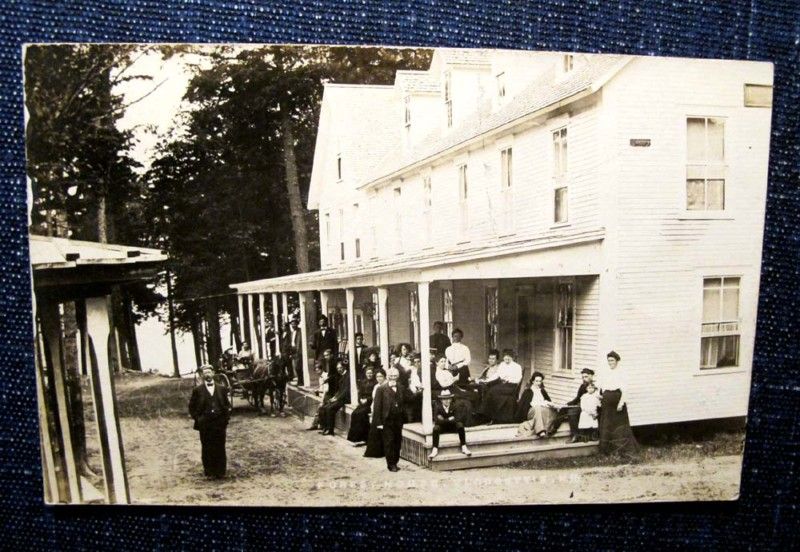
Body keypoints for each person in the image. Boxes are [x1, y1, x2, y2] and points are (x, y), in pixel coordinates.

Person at [188, 365, 231, 479]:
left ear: (213, 373)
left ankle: (220, 472)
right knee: (207, 447)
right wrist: (198, 419)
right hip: (205, 424)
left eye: (209, 372)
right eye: (205, 373)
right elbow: (191, 407)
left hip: (219, 423)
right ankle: (209, 472)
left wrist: (225, 420)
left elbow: (227, 406)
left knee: (220, 446)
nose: (207, 374)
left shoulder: (222, 389)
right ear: (202, 375)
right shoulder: (197, 390)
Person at [371, 367, 412, 472]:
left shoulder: (401, 387)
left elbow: (409, 399)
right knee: (389, 442)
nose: (393, 378)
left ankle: (396, 461)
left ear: (397, 377)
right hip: (387, 420)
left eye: (395, 376)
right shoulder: (381, 389)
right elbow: (377, 407)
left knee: (397, 441)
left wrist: (419, 392)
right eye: (391, 376)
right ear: (388, 377)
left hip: (398, 419)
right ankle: (391, 464)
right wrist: (378, 422)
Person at [597, 351, 638, 456]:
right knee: (607, 424)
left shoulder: (621, 373)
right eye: (609, 360)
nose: (610, 362)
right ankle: (606, 450)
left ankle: (621, 449)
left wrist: (621, 403)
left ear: (617, 361)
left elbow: (624, 390)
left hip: (617, 402)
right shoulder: (606, 373)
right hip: (606, 402)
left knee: (618, 425)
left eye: (612, 360)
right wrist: (599, 396)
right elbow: (601, 387)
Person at [477, 349, 523, 424]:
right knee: (492, 391)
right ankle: (489, 415)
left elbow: (518, 379)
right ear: (503, 357)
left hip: (512, 386)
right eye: (505, 357)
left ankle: (486, 414)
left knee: (492, 391)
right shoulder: (502, 364)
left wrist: (508, 380)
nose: (507, 359)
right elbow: (496, 375)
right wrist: (486, 381)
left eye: (509, 357)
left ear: (512, 358)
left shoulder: (517, 366)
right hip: (503, 385)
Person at [550, 368, 596, 442]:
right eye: (583, 377)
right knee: (563, 408)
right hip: (580, 405)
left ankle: (575, 435)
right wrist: (567, 404)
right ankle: (554, 428)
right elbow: (578, 398)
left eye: (586, 377)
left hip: (588, 408)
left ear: (591, 376)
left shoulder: (594, 387)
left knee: (572, 412)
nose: (584, 379)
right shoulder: (582, 386)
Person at [428, 389, 472, 460]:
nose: (447, 401)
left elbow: (457, 419)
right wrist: (449, 419)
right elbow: (437, 421)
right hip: (442, 428)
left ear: (451, 399)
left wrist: (443, 420)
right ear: (441, 400)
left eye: (448, 399)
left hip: (452, 427)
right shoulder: (438, 407)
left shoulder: (454, 406)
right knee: (435, 428)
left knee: (460, 425)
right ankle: (435, 449)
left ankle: (464, 446)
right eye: (445, 399)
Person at [516, 372, 558, 438]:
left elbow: (548, 400)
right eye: (537, 381)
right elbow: (522, 405)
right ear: (533, 381)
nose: (538, 383)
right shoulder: (528, 391)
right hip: (531, 411)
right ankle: (540, 431)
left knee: (550, 410)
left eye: (540, 381)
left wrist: (550, 404)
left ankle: (547, 429)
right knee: (538, 407)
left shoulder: (542, 391)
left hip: (541, 410)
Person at [317, 361, 350, 436]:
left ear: (344, 367)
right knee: (324, 407)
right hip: (339, 397)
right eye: (338, 368)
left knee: (330, 408)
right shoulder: (341, 375)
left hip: (345, 398)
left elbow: (346, 390)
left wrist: (337, 398)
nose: (339, 369)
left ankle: (330, 430)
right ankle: (325, 427)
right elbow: (339, 390)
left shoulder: (348, 376)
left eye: (340, 368)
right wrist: (334, 397)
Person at [347, 367, 377, 444]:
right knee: (354, 413)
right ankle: (354, 438)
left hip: (370, 403)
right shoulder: (363, 382)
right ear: (365, 374)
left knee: (361, 414)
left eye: (370, 373)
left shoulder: (375, 383)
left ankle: (363, 438)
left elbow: (375, 396)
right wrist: (360, 399)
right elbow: (360, 393)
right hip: (362, 403)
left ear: (373, 374)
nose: (369, 375)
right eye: (368, 373)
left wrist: (367, 400)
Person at [363, 370, 387, 458]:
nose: (379, 378)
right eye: (377, 377)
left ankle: (382, 451)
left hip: (383, 411)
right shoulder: (376, 386)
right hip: (376, 410)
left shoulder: (386, 386)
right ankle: (374, 452)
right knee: (374, 431)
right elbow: (374, 400)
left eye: (380, 376)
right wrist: (372, 410)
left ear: (384, 376)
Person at [286, 318, 303, 385]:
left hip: (298, 351)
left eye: (294, 324)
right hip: (293, 351)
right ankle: (299, 379)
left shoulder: (300, 331)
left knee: (298, 367)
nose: (293, 325)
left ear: (297, 324)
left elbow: (299, 342)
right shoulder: (292, 333)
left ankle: (301, 380)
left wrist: (298, 350)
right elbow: (291, 342)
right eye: (292, 324)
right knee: (295, 367)